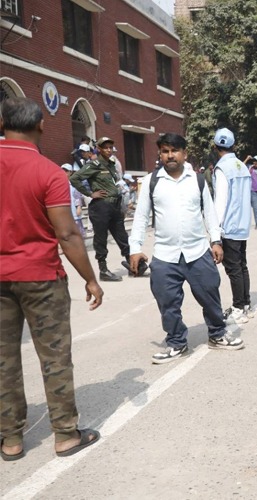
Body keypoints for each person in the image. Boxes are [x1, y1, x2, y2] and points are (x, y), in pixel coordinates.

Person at [0, 97, 104, 461]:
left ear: (2, 124)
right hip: (41, 277)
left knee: (3, 360)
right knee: (55, 356)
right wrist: (90, 279)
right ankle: (64, 434)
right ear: (41, 126)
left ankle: (10, 439)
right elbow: (68, 233)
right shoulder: (48, 173)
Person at [128, 133, 245, 363]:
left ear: (184, 154)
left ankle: (217, 334)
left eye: (175, 151)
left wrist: (216, 241)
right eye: (165, 151)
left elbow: (209, 213)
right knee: (168, 303)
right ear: (160, 154)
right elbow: (141, 217)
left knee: (210, 295)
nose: (170, 155)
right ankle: (176, 343)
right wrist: (135, 248)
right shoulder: (152, 181)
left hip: (197, 252)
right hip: (165, 255)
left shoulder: (197, 180)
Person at [68, 136, 136, 281]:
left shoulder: (111, 164)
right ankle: (103, 270)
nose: (109, 150)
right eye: (105, 148)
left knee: (122, 236)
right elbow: (74, 178)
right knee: (101, 238)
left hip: (115, 205)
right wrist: (90, 193)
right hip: (101, 206)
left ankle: (132, 264)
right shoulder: (94, 164)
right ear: (99, 149)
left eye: (111, 147)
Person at [212, 128, 254, 324]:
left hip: (229, 225)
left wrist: (216, 230)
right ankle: (246, 304)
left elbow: (220, 201)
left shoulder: (222, 168)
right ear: (233, 145)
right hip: (242, 224)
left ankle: (238, 308)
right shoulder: (241, 166)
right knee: (242, 266)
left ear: (215, 147)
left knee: (233, 269)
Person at [61, 163, 87, 237]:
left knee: (77, 231)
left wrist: (78, 207)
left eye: (66, 171)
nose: (64, 172)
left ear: (70, 172)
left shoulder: (73, 184)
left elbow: (77, 196)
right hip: (64, 212)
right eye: (62, 170)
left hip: (73, 211)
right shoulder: (58, 184)